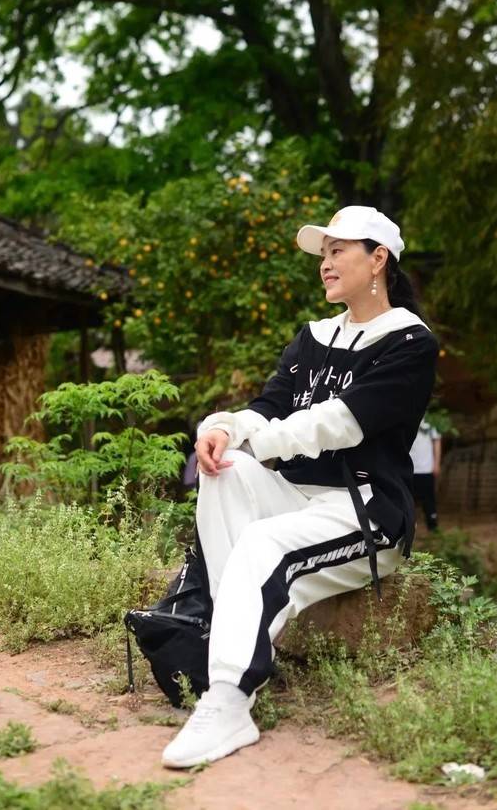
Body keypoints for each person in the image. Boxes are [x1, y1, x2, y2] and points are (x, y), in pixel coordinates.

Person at [161, 205, 438, 769]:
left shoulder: (410, 341)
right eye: (322, 254)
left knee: (262, 543)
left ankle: (229, 700)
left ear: (377, 259)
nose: (325, 263)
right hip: (297, 496)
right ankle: (235, 646)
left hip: (364, 511)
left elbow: (341, 422)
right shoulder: (314, 337)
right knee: (224, 470)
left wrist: (259, 442)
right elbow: (269, 406)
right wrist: (224, 428)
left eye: (338, 251)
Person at [410, 418, 442, 531]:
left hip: (426, 468)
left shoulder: (431, 419)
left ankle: (432, 526)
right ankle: (408, 528)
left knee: (429, 500)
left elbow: (437, 441)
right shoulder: (405, 416)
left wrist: (436, 463)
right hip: (409, 467)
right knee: (408, 500)